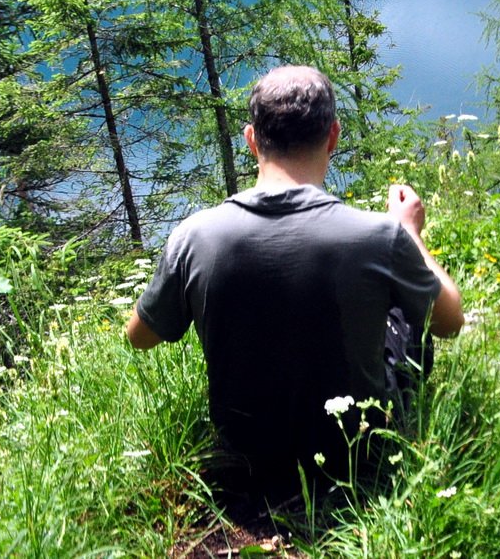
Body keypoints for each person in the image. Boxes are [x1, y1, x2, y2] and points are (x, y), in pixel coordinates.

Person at [125, 65, 463, 496]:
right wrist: (410, 234)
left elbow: (139, 337)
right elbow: (450, 321)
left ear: (251, 140)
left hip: (244, 454)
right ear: (333, 136)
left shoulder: (194, 236)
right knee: (402, 305)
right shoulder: (380, 236)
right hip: (356, 449)